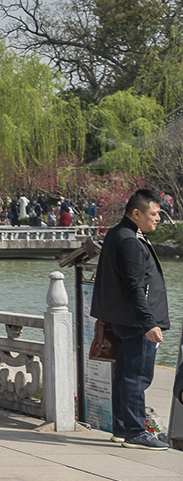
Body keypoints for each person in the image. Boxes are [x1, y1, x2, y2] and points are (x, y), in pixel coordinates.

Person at [92, 188, 169, 448]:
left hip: (126, 318)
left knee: (125, 374)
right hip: (137, 321)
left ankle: (123, 428)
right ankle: (135, 431)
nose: (158, 218)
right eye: (154, 213)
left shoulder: (118, 233)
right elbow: (135, 288)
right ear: (136, 213)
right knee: (137, 377)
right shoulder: (130, 241)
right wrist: (149, 323)